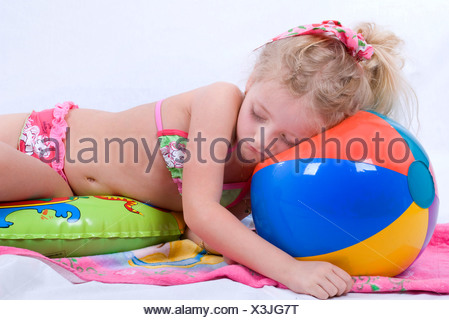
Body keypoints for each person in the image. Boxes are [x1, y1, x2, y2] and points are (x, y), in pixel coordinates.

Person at [0, 20, 414, 299]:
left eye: (289, 139)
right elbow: (200, 213)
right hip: (41, 142)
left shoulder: (278, 177)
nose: (261, 140)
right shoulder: (220, 100)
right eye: (259, 114)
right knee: (43, 184)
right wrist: (293, 272)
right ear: (250, 83)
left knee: (47, 191)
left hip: (63, 189)